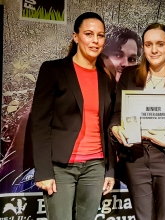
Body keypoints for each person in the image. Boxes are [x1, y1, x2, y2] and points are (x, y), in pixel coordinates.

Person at [110, 23, 165, 220]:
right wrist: (115, 128)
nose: (154, 50)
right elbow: (117, 113)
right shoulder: (129, 76)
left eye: (160, 44)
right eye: (149, 44)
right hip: (136, 156)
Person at [30, 12, 116, 220]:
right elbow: (40, 123)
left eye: (100, 35)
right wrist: (43, 171)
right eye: (88, 34)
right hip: (61, 167)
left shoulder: (106, 78)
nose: (95, 40)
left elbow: (107, 126)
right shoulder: (53, 70)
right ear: (75, 36)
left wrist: (110, 170)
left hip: (95, 166)